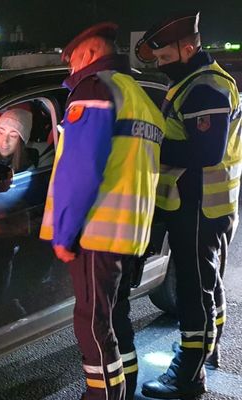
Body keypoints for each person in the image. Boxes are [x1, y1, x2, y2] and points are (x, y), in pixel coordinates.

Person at [39, 22, 165, 400]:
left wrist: (64, 234)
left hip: (97, 231)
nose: (70, 69)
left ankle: (103, 396)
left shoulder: (93, 89)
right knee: (113, 318)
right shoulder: (137, 95)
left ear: (91, 54)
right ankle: (123, 390)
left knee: (92, 324)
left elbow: (81, 170)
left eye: (74, 59)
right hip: (131, 230)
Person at [135, 11, 241, 399]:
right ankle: (208, 351)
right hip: (207, 204)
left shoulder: (204, 88)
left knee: (195, 291)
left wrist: (151, 145)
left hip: (198, 206)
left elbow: (206, 151)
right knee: (207, 283)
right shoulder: (198, 81)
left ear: (189, 46)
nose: (163, 66)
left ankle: (188, 375)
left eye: (165, 59)